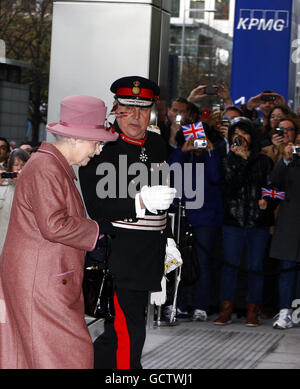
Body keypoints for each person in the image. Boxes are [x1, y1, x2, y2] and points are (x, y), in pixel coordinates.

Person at [0, 94, 118, 369]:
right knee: (64, 356)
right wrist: (97, 230)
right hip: (42, 284)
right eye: (96, 141)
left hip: (43, 280)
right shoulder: (46, 167)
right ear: (75, 138)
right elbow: (54, 225)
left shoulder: (51, 166)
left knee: (39, 356)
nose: (98, 150)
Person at [79, 76, 178, 369]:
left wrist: (167, 244)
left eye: (142, 109)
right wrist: (140, 202)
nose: (136, 116)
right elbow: (96, 205)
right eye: (128, 109)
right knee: (127, 334)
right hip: (118, 256)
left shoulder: (157, 143)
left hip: (148, 256)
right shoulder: (102, 145)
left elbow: (162, 197)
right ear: (116, 109)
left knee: (121, 334)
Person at [214, 117, 275, 327]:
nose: (240, 137)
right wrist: (240, 161)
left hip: (258, 222)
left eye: (244, 133)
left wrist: (268, 200)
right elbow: (229, 189)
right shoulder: (226, 160)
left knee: (256, 267)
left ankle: (253, 311)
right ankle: (226, 310)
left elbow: (273, 188)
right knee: (230, 267)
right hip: (233, 221)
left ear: (252, 136)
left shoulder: (264, 161)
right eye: (235, 133)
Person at [168, 123, 223, 321]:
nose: (197, 143)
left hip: (206, 218)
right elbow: (170, 173)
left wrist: (210, 151)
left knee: (203, 264)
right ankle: (179, 304)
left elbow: (216, 177)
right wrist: (183, 151)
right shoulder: (183, 155)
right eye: (194, 139)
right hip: (183, 217)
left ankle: (201, 306)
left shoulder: (212, 156)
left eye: (201, 138)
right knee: (179, 262)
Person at [267, 131, 300, 329]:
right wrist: (285, 160)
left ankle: (296, 311)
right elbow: (274, 183)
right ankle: (285, 311)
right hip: (289, 224)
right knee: (286, 271)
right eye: (297, 143)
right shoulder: (289, 163)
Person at [0, 148, 30, 253]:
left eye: (23, 165)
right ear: (10, 166)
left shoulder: (33, 187)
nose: (19, 168)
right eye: (16, 165)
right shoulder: (3, 185)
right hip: (2, 238)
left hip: (23, 242)